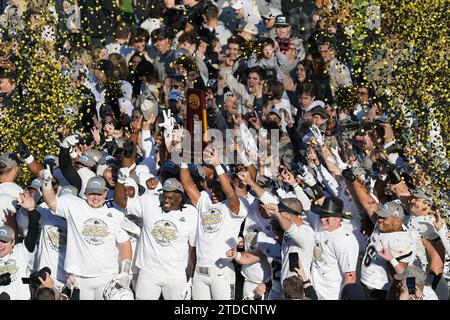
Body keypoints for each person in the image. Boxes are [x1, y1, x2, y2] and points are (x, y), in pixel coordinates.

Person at [40, 169, 133, 300]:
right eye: (92, 193)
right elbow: (51, 202)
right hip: (79, 278)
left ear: (106, 193)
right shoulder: (74, 205)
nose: (95, 198)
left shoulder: (115, 214)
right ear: (85, 193)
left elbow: (124, 243)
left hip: (106, 277)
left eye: (99, 194)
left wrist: (125, 270)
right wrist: (47, 183)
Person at [115, 172, 198, 300]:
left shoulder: (191, 213)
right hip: (148, 273)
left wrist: (191, 278)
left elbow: (193, 248)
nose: (165, 200)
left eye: (170, 197)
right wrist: (121, 179)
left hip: (176, 275)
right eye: (164, 196)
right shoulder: (150, 201)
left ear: (180, 198)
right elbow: (120, 201)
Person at [180, 147, 248, 300]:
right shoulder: (204, 200)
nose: (214, 192)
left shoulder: (235, 207)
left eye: (218, 189)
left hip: (222, 270)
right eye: (212, 189)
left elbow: (231, 194)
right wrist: (184, 161)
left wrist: (217, 165)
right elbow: (188, 186)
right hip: (200, 271)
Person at [308, 196, 359, 300]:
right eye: (321, 215)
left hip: (332, 295)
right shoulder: (319, 223)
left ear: (338, 218)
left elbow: (350, 276)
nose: (322, 219)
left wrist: (343, 297)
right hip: (313, 291)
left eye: (327, 216)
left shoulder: (345, 241)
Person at [0, 192, 40, 300]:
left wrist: (31, 210)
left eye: (4, 241)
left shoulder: (21, 251)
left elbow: (33, 233)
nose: (0, 245)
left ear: (12, 242)